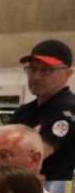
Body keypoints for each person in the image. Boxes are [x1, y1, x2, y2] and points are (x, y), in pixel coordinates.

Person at [11, 38, 75, 181]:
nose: (36, 77)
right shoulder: (24, 112)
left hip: (53, 190)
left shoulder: (69, 110)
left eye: (46, 70)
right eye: (32, 69)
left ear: (67, 74)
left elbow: (32, 156)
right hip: (20, 187)